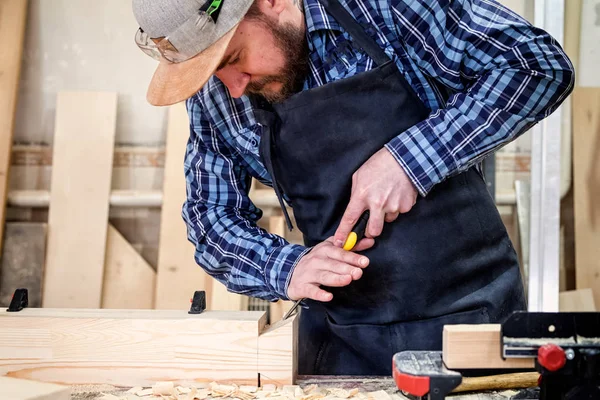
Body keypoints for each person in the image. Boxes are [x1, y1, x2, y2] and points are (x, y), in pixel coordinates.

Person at [131, 0, 574, 375]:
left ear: (270, 3)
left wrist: (410, 161)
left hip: (470, 326)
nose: (233, 87)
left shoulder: (383, 8)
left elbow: (535, 65)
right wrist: (286, 268)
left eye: (232, 58)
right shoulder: (217, 95)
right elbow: (211, 219)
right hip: (341, 345)